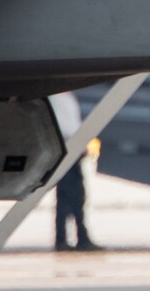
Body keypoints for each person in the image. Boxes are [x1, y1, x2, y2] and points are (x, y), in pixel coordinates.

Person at [50, 92, 100, 252]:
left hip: (73, 148)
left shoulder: (66, 97)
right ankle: (68, 239)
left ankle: (73, 237)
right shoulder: (57, 97)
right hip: (67, 148)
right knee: (69, 197)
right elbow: (62, 124)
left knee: (73, 196)